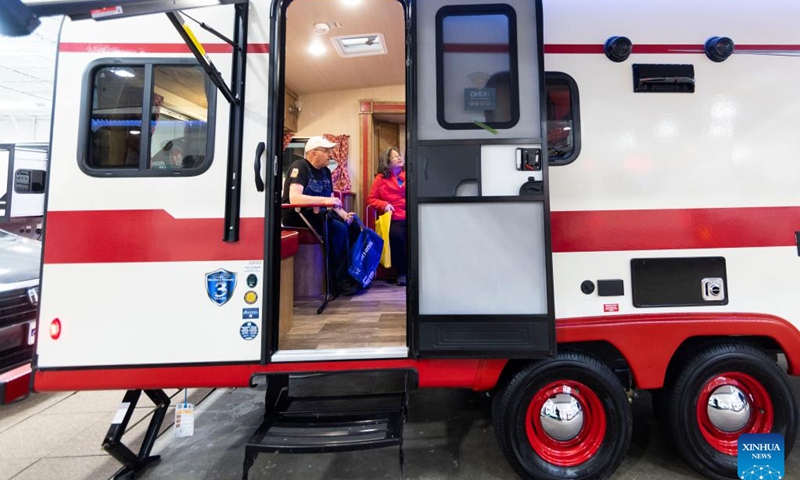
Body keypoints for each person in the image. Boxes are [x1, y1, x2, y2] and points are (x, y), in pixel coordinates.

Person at [281, 136, 361, 295]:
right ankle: (338, 282)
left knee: (353, 226)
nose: (330, 155)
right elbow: (295, 198)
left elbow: (332, 199)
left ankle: (350, 273)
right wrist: (325, 200)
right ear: (313, 153)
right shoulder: (299, 167)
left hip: (319, 214)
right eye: (326, 151)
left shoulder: (325, 171)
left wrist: (344, 215)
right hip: (298, 216)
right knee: (338, 230)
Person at [367, 146, 407, 286]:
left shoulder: (407, 175)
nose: (399, 158)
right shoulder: (380, 178)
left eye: (399, 155)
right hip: (394, 216)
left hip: (410, 215)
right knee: (396, 235)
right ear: (387, 161)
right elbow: (371, 200)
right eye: (395, 156)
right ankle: (402, 272)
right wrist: (384, 205)